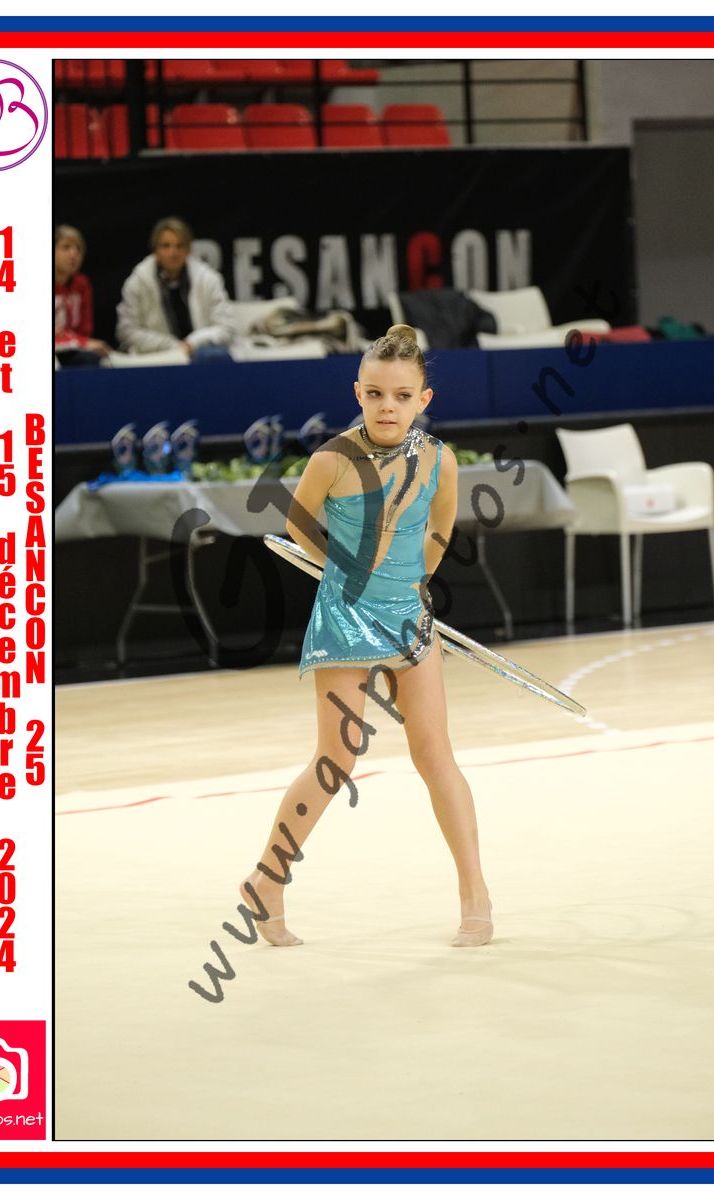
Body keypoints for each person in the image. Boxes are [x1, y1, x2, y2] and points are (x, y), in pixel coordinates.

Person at [239, 324, 493, 948]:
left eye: (402, 396)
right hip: (346, 618)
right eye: (375, 394)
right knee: (336, 760)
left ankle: (475, 891)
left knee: (436, 755)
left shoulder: (438, 458)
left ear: (423, 399)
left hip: (409, 619)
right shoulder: (331, 460)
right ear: (358, 392)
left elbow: (440, 529)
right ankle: (266, 881)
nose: (387, 407)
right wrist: (345, 573)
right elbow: (298, 524)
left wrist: (414, 584)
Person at [115, 215, 238, 359]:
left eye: (180, 246)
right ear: (155, 250)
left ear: (188, 250)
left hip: (200, 352)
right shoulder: (138, 282)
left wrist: (193, 343)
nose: (173, 253)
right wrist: (173, 347)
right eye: (166, 246)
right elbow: (126, 332)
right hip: (158, 355)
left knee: (213, 355)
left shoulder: (208, 279)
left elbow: (227, 327)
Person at [54, 225, 111, 367]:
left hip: (72, 349)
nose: (73, 254)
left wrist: (81, 342)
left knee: (101, 360)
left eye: (78, 249)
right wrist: (82, 342)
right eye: (66, 247)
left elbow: (85, 330)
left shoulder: (82, 284)